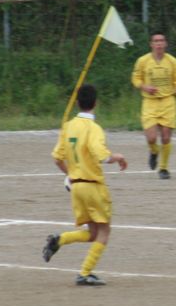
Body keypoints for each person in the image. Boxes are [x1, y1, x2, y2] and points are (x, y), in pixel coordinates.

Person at [42, 84, 128, 286]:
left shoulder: (68, 126)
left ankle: (60, 240)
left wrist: (71, 174)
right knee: (104, 231)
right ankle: (85, 273)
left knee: (93, 233)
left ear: (77, 103)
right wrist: (118, 157)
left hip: (76, 188)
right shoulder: (93, 128)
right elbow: (102, 156)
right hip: (93, 186)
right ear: (95, 103)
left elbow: (57, 158)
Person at [131, 31, 176, 180]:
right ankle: (154, 151)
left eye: (161, 41)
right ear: (151, 44)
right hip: (150, 102)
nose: (159, 43)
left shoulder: (172, 61)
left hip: (168, 101)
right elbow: (135, 78)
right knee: (151, 138)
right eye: (156, 41)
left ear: (165, 44)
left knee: (166, 137)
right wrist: (144, 87)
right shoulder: (143, 61)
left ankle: (163, 168)